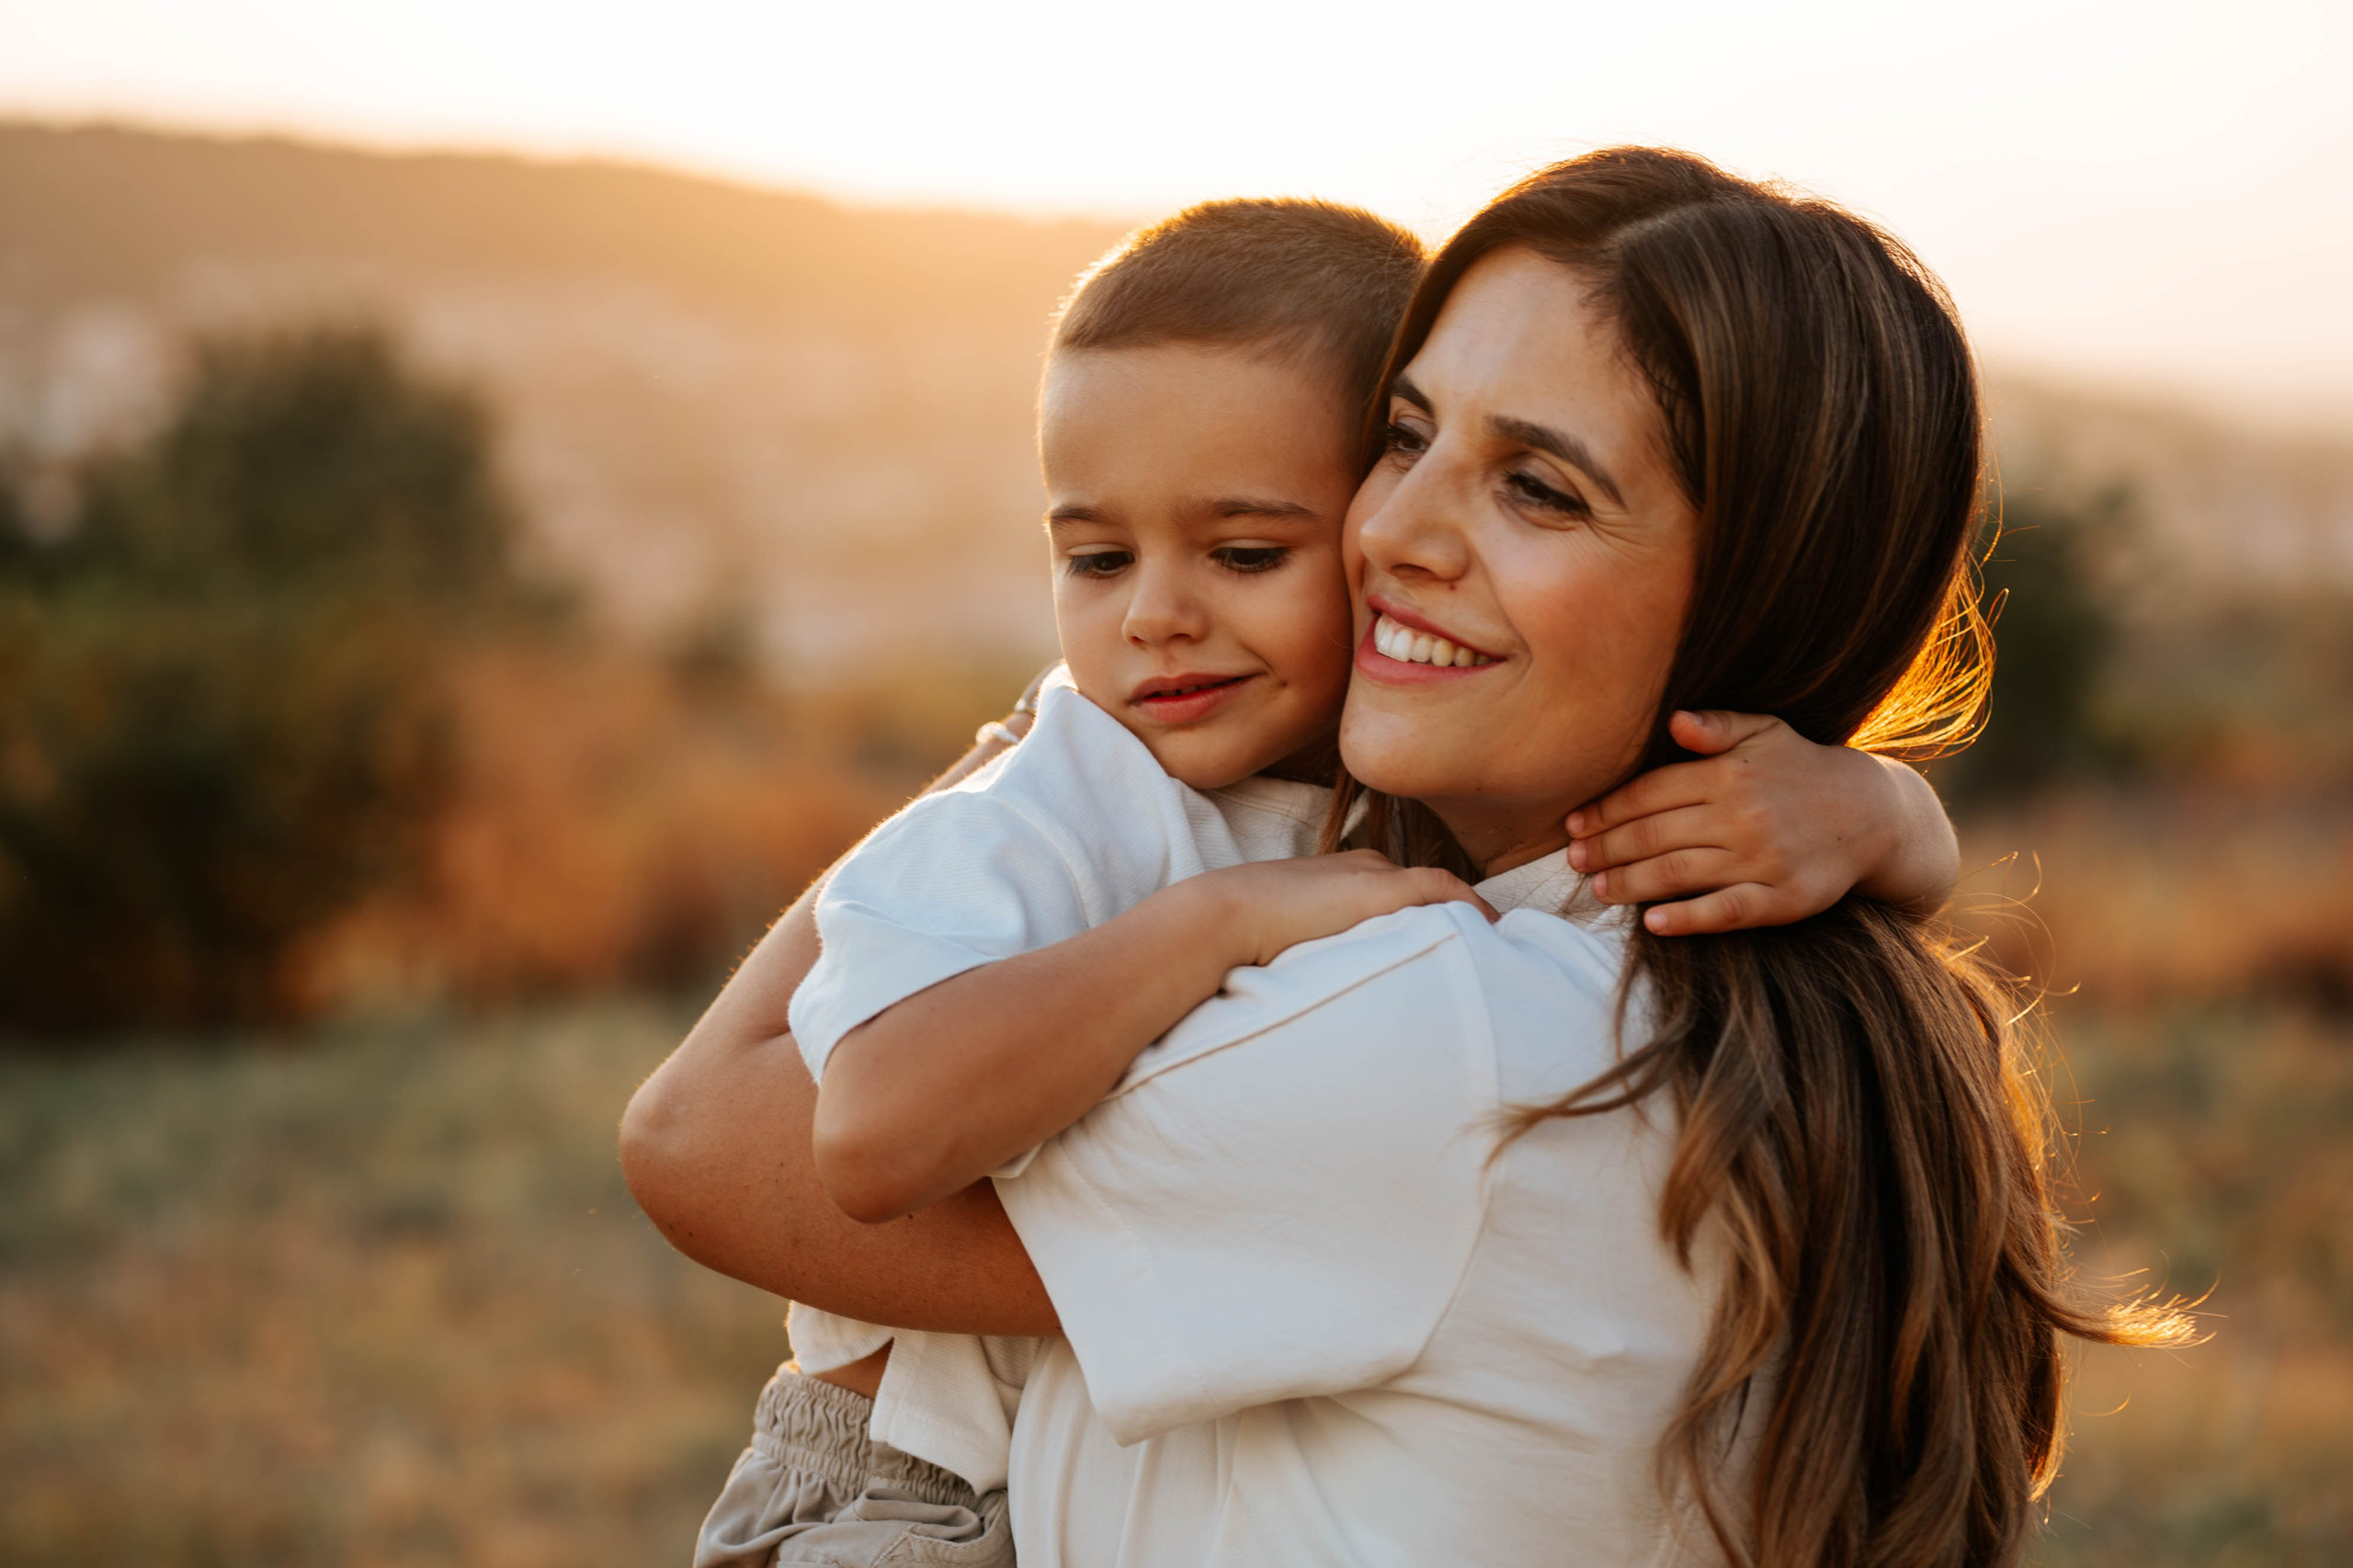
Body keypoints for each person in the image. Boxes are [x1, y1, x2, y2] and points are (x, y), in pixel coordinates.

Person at [625, 151, 2176, 1568]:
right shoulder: (1786, 994)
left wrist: (1031, 756)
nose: (1392, 532)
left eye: (1538, 489)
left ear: (1755, 587)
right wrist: (1896, 814)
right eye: (1408, 436)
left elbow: (703, 1137)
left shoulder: (1449, 1032)